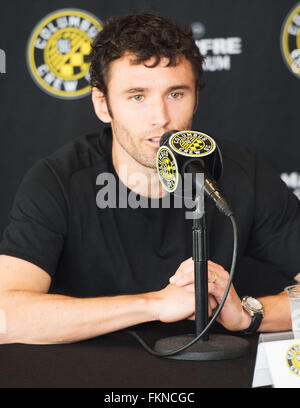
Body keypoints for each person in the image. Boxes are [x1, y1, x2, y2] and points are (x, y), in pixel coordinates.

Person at [0, 11, 299, 345]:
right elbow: (5, 315)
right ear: (102, 104)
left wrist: (247, 313)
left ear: (196, 98)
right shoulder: (59, 180)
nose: (161, 118)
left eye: (175, 94)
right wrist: (153, 304)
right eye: (137, 96)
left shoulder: (241, 171)